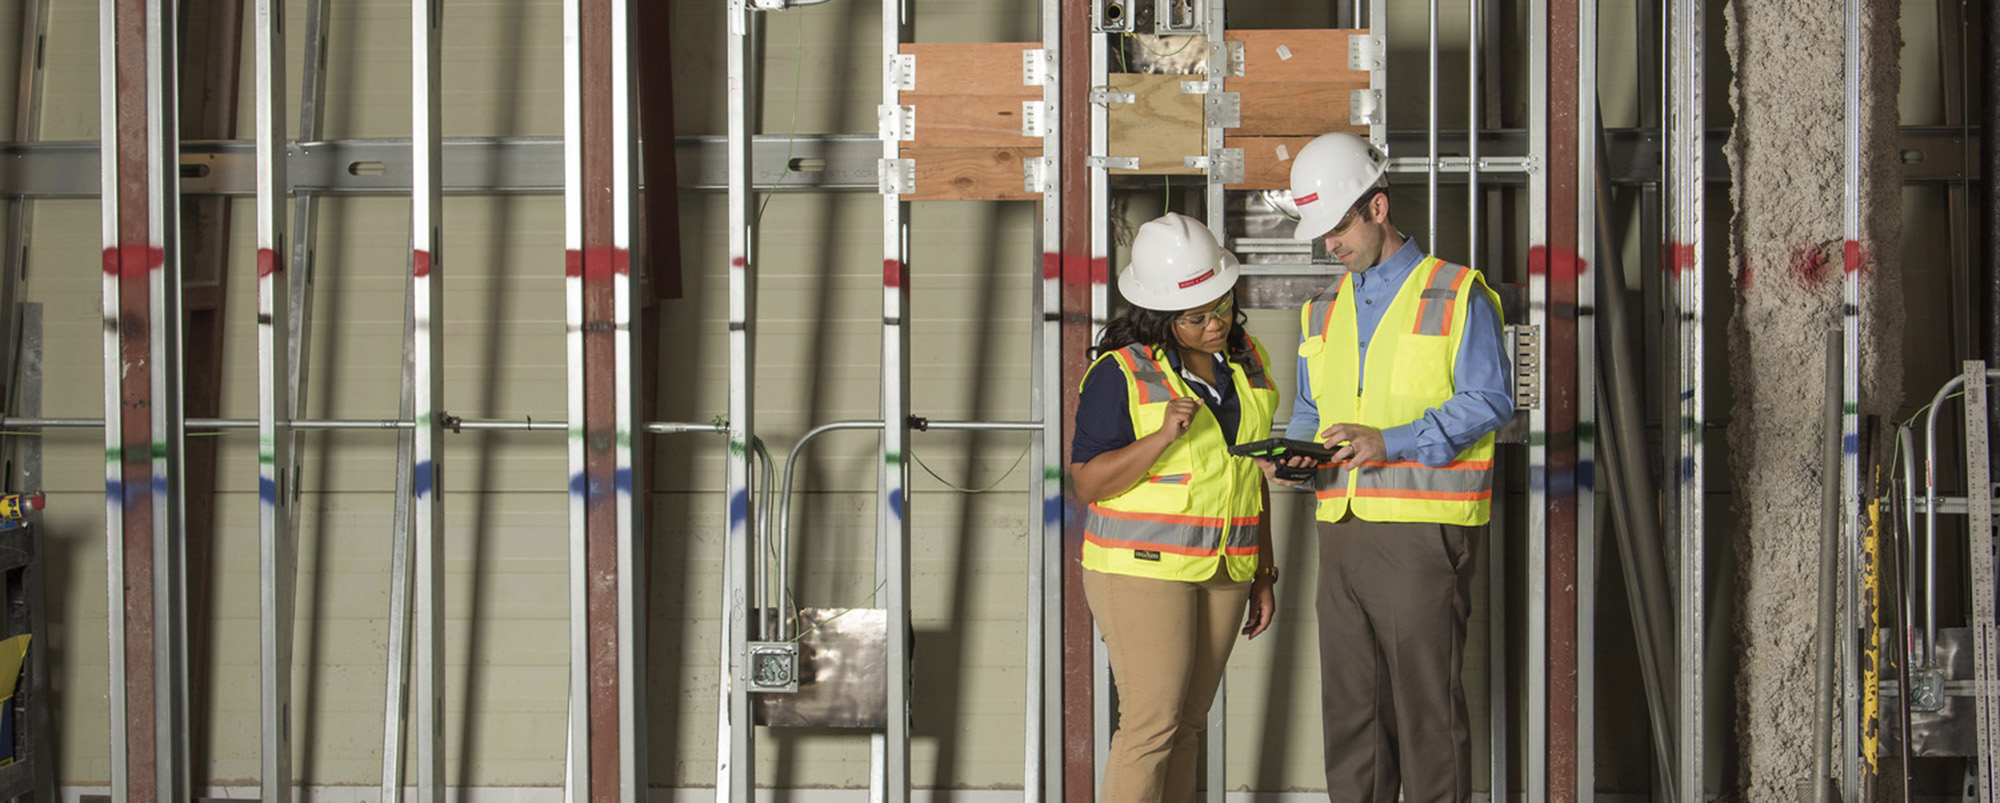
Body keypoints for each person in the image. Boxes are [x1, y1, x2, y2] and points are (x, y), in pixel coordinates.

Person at [1280, 132, 1514, 803]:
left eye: (1337, 228)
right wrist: (1295, 458)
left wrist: (1394, 440)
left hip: (1421, 533)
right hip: (1341, 532)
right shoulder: (1322, 309)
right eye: (1320, 233)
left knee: (1425, 716)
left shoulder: (1454, 292)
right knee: (1351, 715)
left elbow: (1490, 398)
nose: (1329, 245)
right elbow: (1308, 410)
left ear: (1377, 208)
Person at [1069, 212, 1288, 803]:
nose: (1217, 322)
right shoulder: (1120, 373)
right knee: (1151, 725)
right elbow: (1088, 484)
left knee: (1187, 726)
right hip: (1139, 569)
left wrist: (1262, 569)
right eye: (1198, 317)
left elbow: (1247, 471)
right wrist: (1159, 437)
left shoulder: (1248, 358)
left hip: (1225, 568)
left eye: (1222, 303)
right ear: (1163, 317)